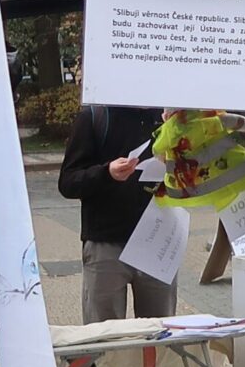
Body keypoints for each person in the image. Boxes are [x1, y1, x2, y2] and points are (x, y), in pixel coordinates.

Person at [58, 105, 175, 323]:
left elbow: (194, 175)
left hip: (158, 243)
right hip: (106, 244)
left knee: (160, 339)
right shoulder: (96, 116)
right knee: (103, 341)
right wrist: (106, 172)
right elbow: (68, 181)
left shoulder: (169, 115)